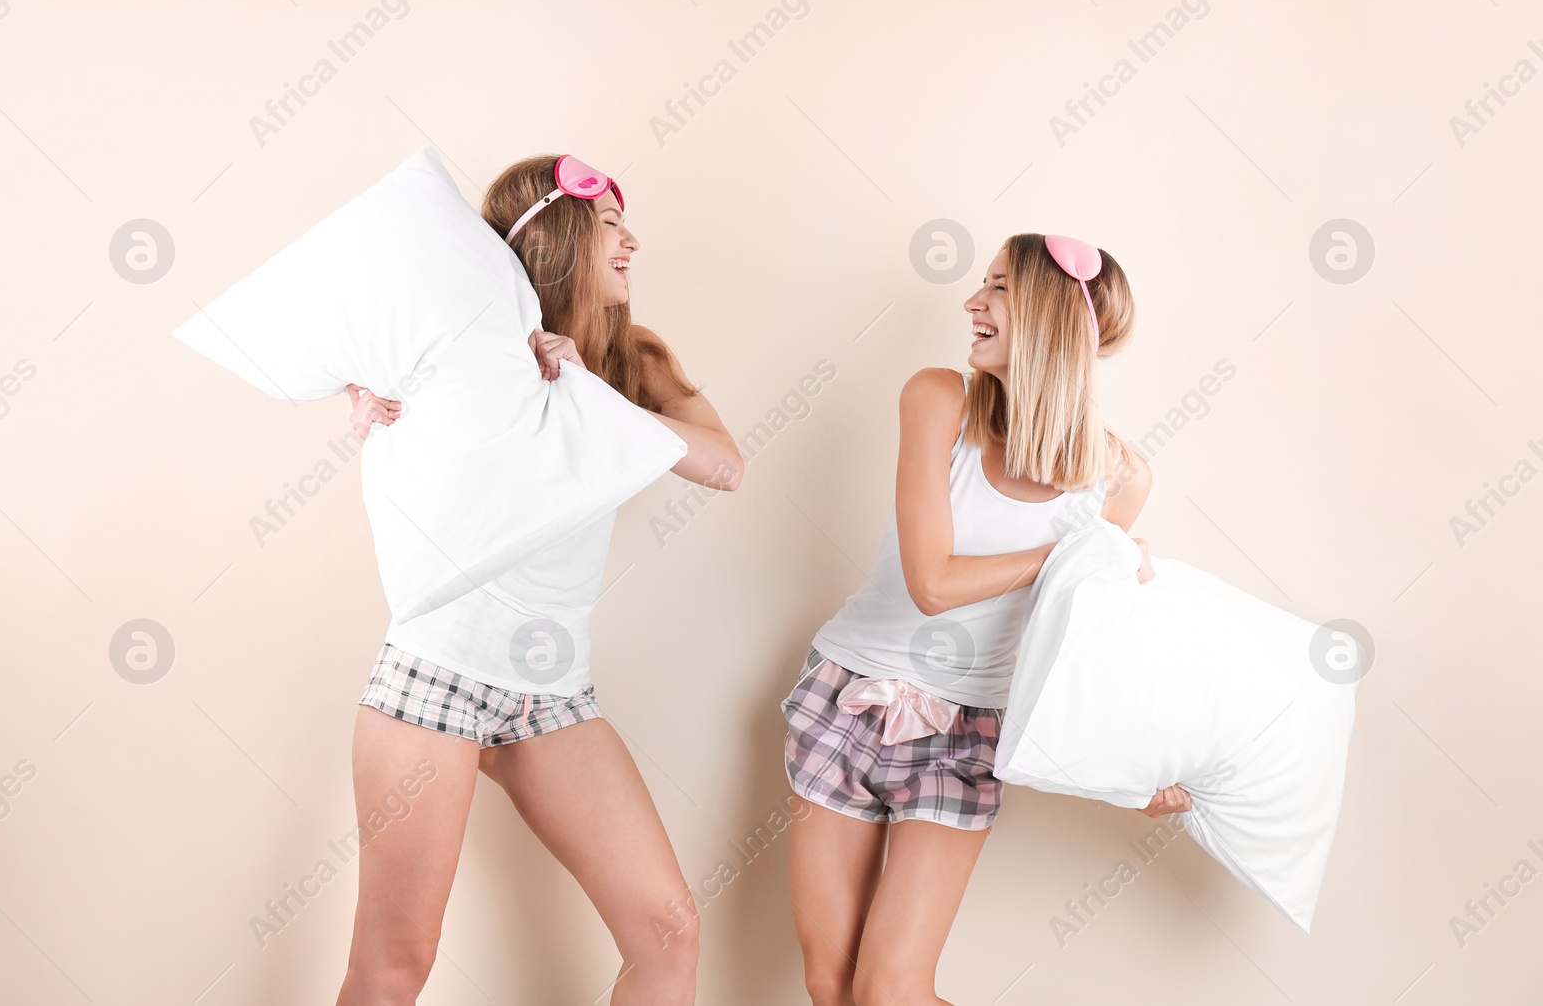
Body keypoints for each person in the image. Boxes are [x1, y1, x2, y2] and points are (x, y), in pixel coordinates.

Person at [334, 154, 743, 1006]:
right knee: (394, 965)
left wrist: (596, 393)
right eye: (610, 226)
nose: (632, 242)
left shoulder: (633, 355)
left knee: (670, 933)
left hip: (550, 694)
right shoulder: (470, 337)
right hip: (433, 681)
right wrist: (370, 404)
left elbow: (725, 465)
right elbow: (381, 386)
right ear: (560, 236)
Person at [782, 232, 1185, 1006]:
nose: (972, 301)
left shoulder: (1118, 480)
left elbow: (1078, 649)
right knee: (832, 986)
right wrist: (1079, 553)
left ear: (1045, 316)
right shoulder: (939, 398)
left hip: (969, 733)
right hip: (845, 694)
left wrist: (1146, 759)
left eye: (997, 287)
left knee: (890, 989)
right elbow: (932, 582)